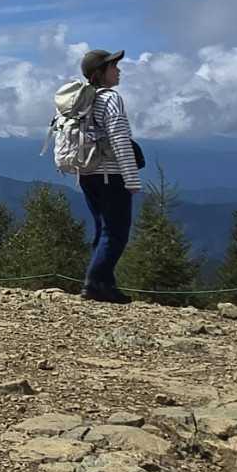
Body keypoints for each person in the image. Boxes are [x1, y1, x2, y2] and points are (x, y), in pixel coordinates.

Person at [78, 49, 140, 304]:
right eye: (113, 67)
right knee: (116, 233)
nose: (118, 70)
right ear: (100, 73)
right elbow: (120, 140)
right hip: (110, 174)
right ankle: (93, 283)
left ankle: (106, 285)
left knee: (103, 231)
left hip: (86, 173)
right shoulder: (111, 99)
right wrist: (131, 179)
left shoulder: (83, 99)